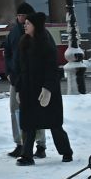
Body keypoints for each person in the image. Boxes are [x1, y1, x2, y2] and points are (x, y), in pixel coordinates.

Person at [12, 11, 74, 165]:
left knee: (54, 124)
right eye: (25, 23)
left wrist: (47, 89)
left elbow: (52, 69)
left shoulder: (46, 43)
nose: (25, 25)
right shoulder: (23, 42)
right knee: (28, 125)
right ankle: (27, 156)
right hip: (28, 90)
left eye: (28, 23)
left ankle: (66, 152)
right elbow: (18, 68)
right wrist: (19, 88)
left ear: (36, 26)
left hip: (45, 91)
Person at [5, 2, 46, 161]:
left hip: (33, 78)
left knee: (36, 111)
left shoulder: (39, 33)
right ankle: (20, 143)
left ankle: (40, 144)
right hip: (16, 78)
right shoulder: (13, 33)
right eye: (19, 15)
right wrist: (8, 72)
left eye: (24, 16)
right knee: (15, 110)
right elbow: (7, 53)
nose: (21, 18)